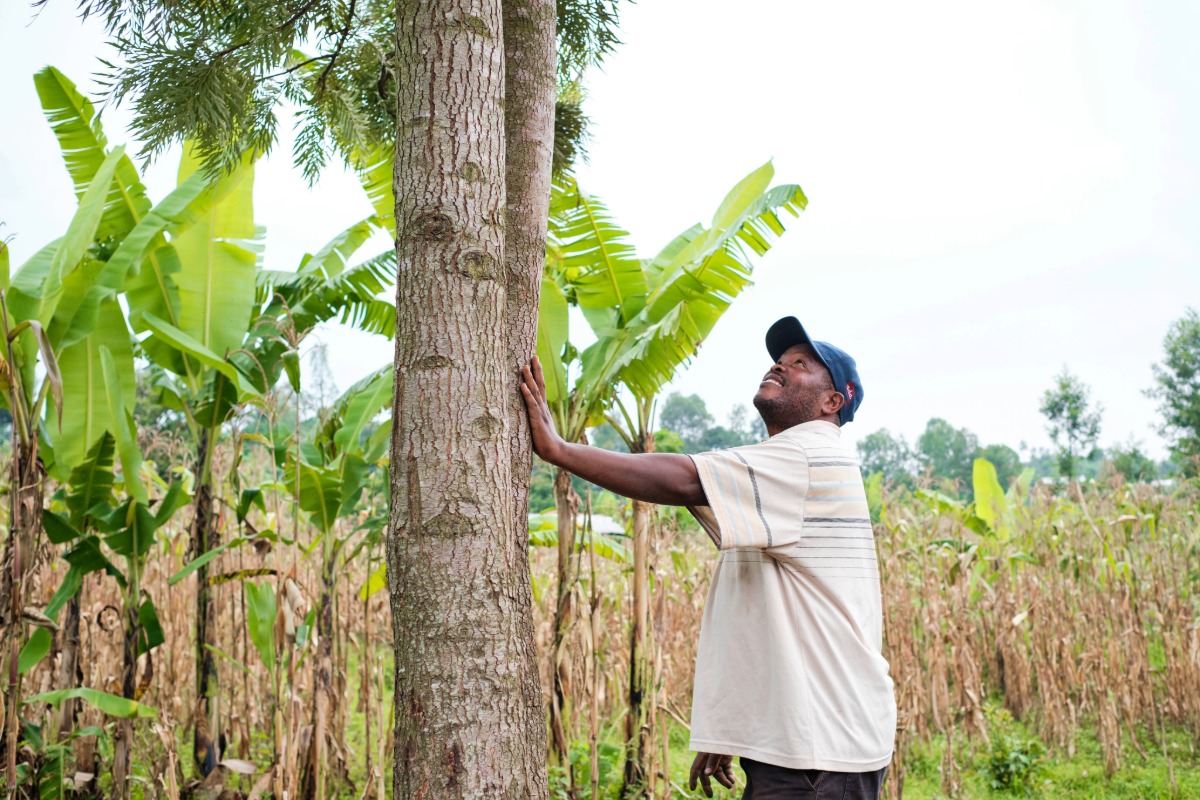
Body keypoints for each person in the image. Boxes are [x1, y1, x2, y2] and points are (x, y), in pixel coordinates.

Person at [520, 315, 896, 800]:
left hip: (819, 752)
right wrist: (732, 731)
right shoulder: (783, 471)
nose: (779, 367)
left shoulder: (806, 455)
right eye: (780, 360)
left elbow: (684, 480)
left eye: (800, 364)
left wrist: (558, 450)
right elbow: (768, 613)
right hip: (812, 744)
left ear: (832, 403)